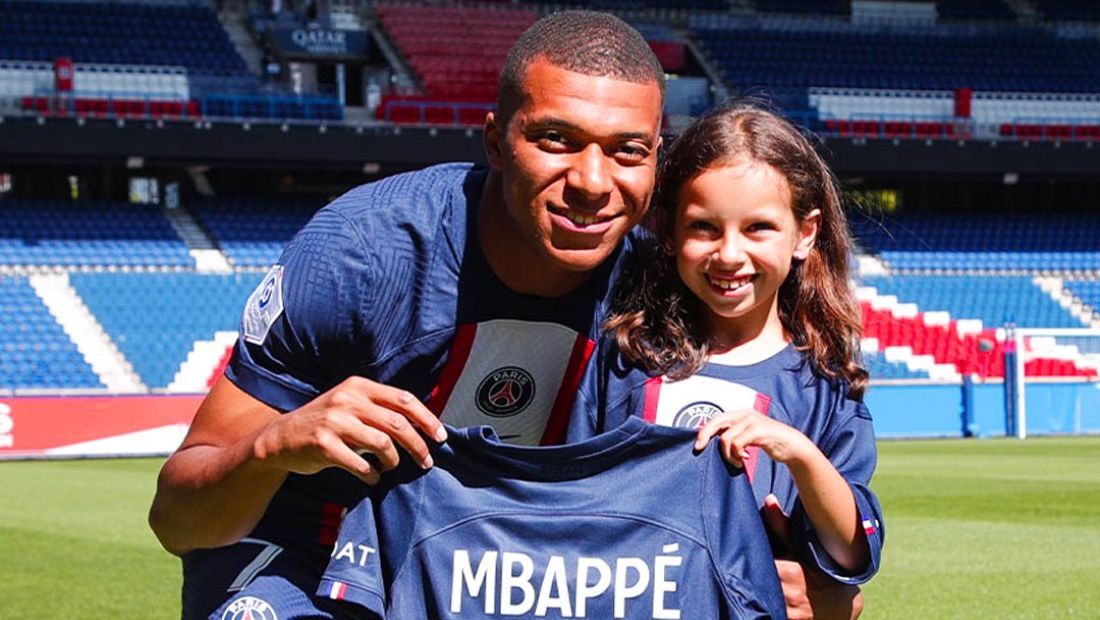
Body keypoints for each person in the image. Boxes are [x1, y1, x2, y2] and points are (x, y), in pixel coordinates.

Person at [149, 10, 665, 619]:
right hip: (311, 551)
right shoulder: (361, 254)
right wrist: (274, 446)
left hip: (509, 565)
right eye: (557, 139)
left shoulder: (662, 287)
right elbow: (177, 522)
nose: (592, 182)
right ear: (496, 142)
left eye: (628, 152)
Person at [568, 102, 884, 618]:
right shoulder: (626, 354)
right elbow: (571, 497)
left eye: (758, 227)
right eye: (705, 228)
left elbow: (851, 552)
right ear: (668, 232)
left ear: (805, 234)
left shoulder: (823, 387)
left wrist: (800, 454)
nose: (730, 254)